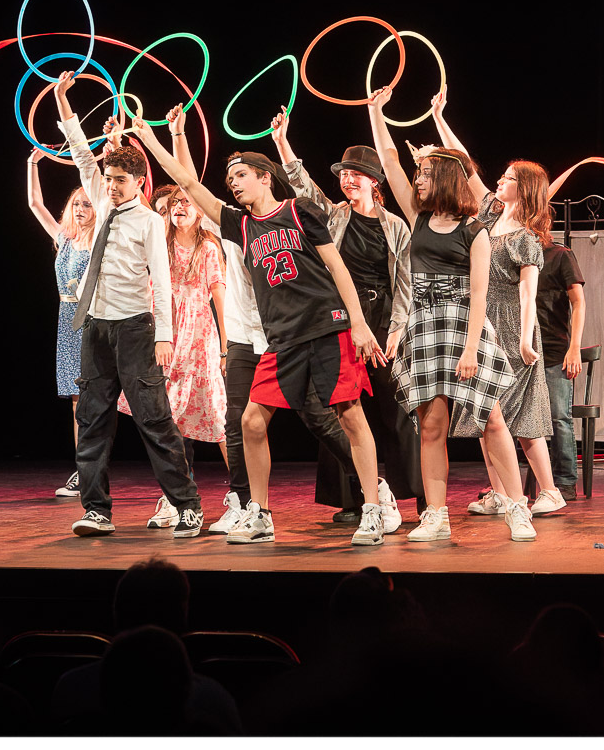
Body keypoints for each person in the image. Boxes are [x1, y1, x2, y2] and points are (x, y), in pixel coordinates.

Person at [132, 114, 388, 546]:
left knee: (349, 415)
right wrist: (149, 139)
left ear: (265, 177)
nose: (233, 183)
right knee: (251, 421)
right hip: (282, 339)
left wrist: (360, 324)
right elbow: (190, 185)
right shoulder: (240, 225)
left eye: (240, 175)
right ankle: (261, 513)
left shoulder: (298, 210)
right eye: (229, 178)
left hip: (327, 329)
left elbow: (336, 267)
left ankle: (374, 509)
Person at [367, 86, 533, 542]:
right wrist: (375, 112)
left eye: (424, 173)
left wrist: (470, 349)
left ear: (442, 176)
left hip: (465, 324)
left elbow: (479, 295)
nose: (416, 179)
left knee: (491, 417)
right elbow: (388, 159)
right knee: (432, 424)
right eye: (416, 173)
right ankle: (436, 515)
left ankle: (518, 507)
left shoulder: (474, 229)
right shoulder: (417, 218)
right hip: (425, 325)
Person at [53, 70, 203, 538]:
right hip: (95, 328)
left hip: (136, 329)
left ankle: (187, 505)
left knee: (155, 421)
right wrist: (62, 100)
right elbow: (79, 150)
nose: (111, 185)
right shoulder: (99, 196)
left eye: (120, 179)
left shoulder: (149, 224)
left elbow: (162, 278)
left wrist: (164, 335)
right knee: (92, 420)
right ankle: (97, 511)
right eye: (109, 177)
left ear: (139, 182)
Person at [271, 106, 420, 530]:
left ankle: (417, 498)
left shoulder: (395, 226)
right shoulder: (333, 214)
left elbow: (405, 284)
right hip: (341, 318)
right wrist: (283, 143)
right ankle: (356, 498)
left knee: (396, 411)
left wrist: (396, 331)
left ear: (375, 181)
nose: (347, 180)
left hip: (383, 319)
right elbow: (303, 187)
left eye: (356, 174)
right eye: (343, 174)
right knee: (344, 407)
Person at [429, 91, 563, 514]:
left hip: (512, 324)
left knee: (521, 418)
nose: (499, 182)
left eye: (507, 178)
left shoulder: (526, 235)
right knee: (486, 412)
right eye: (501, 177)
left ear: (523, 188)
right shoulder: (488, 212)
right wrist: (439, 118)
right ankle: (503, 494)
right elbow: (465, 164)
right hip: (481, 319)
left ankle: (550, 491)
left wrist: (526, 341)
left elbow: (529, 293)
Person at [27, 148, 95, 498]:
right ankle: (84, 469)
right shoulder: (63, 239)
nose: (81, 209)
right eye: (76, 204)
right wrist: (33, 164)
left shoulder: (101, 240)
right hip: (67, 321)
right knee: (76, 400)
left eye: (87, 203)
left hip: (94, 320)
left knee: (111, 400)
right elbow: (35, 205)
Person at [147, 184, 229, 472]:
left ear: (199, 212)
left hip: (197, 337)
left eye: (186, 202)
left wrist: (225, 349)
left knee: (218, 413)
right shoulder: (161, 244)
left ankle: (245, 490)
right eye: (174, 203)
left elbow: (220, 301)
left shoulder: (206, 248)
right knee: (168, 416)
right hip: (166, 334)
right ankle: (177, 491)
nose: (179, 207)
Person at [536, 233, 587, 503]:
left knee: (558, 417)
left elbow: (578, 302)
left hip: (555, 350)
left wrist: (574, 347)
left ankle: (565, 480)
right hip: (524, 352)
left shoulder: (560, 255)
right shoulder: (518, 255)